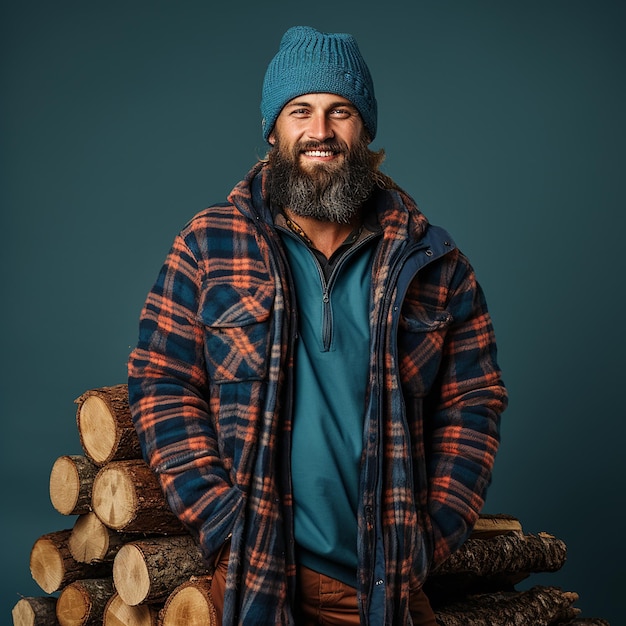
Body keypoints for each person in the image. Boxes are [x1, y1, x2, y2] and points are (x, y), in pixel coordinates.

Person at [127, 25, 508, 625]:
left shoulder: (433, 262)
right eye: (300, 110)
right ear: (273, 129)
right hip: (256, 577)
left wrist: (430, 535)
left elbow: (474, 400)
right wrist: (224, 520)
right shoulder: (208, 245)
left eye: (341, 111)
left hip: (382, 587)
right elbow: (161, 381)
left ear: (365, 130)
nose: (320, 132)